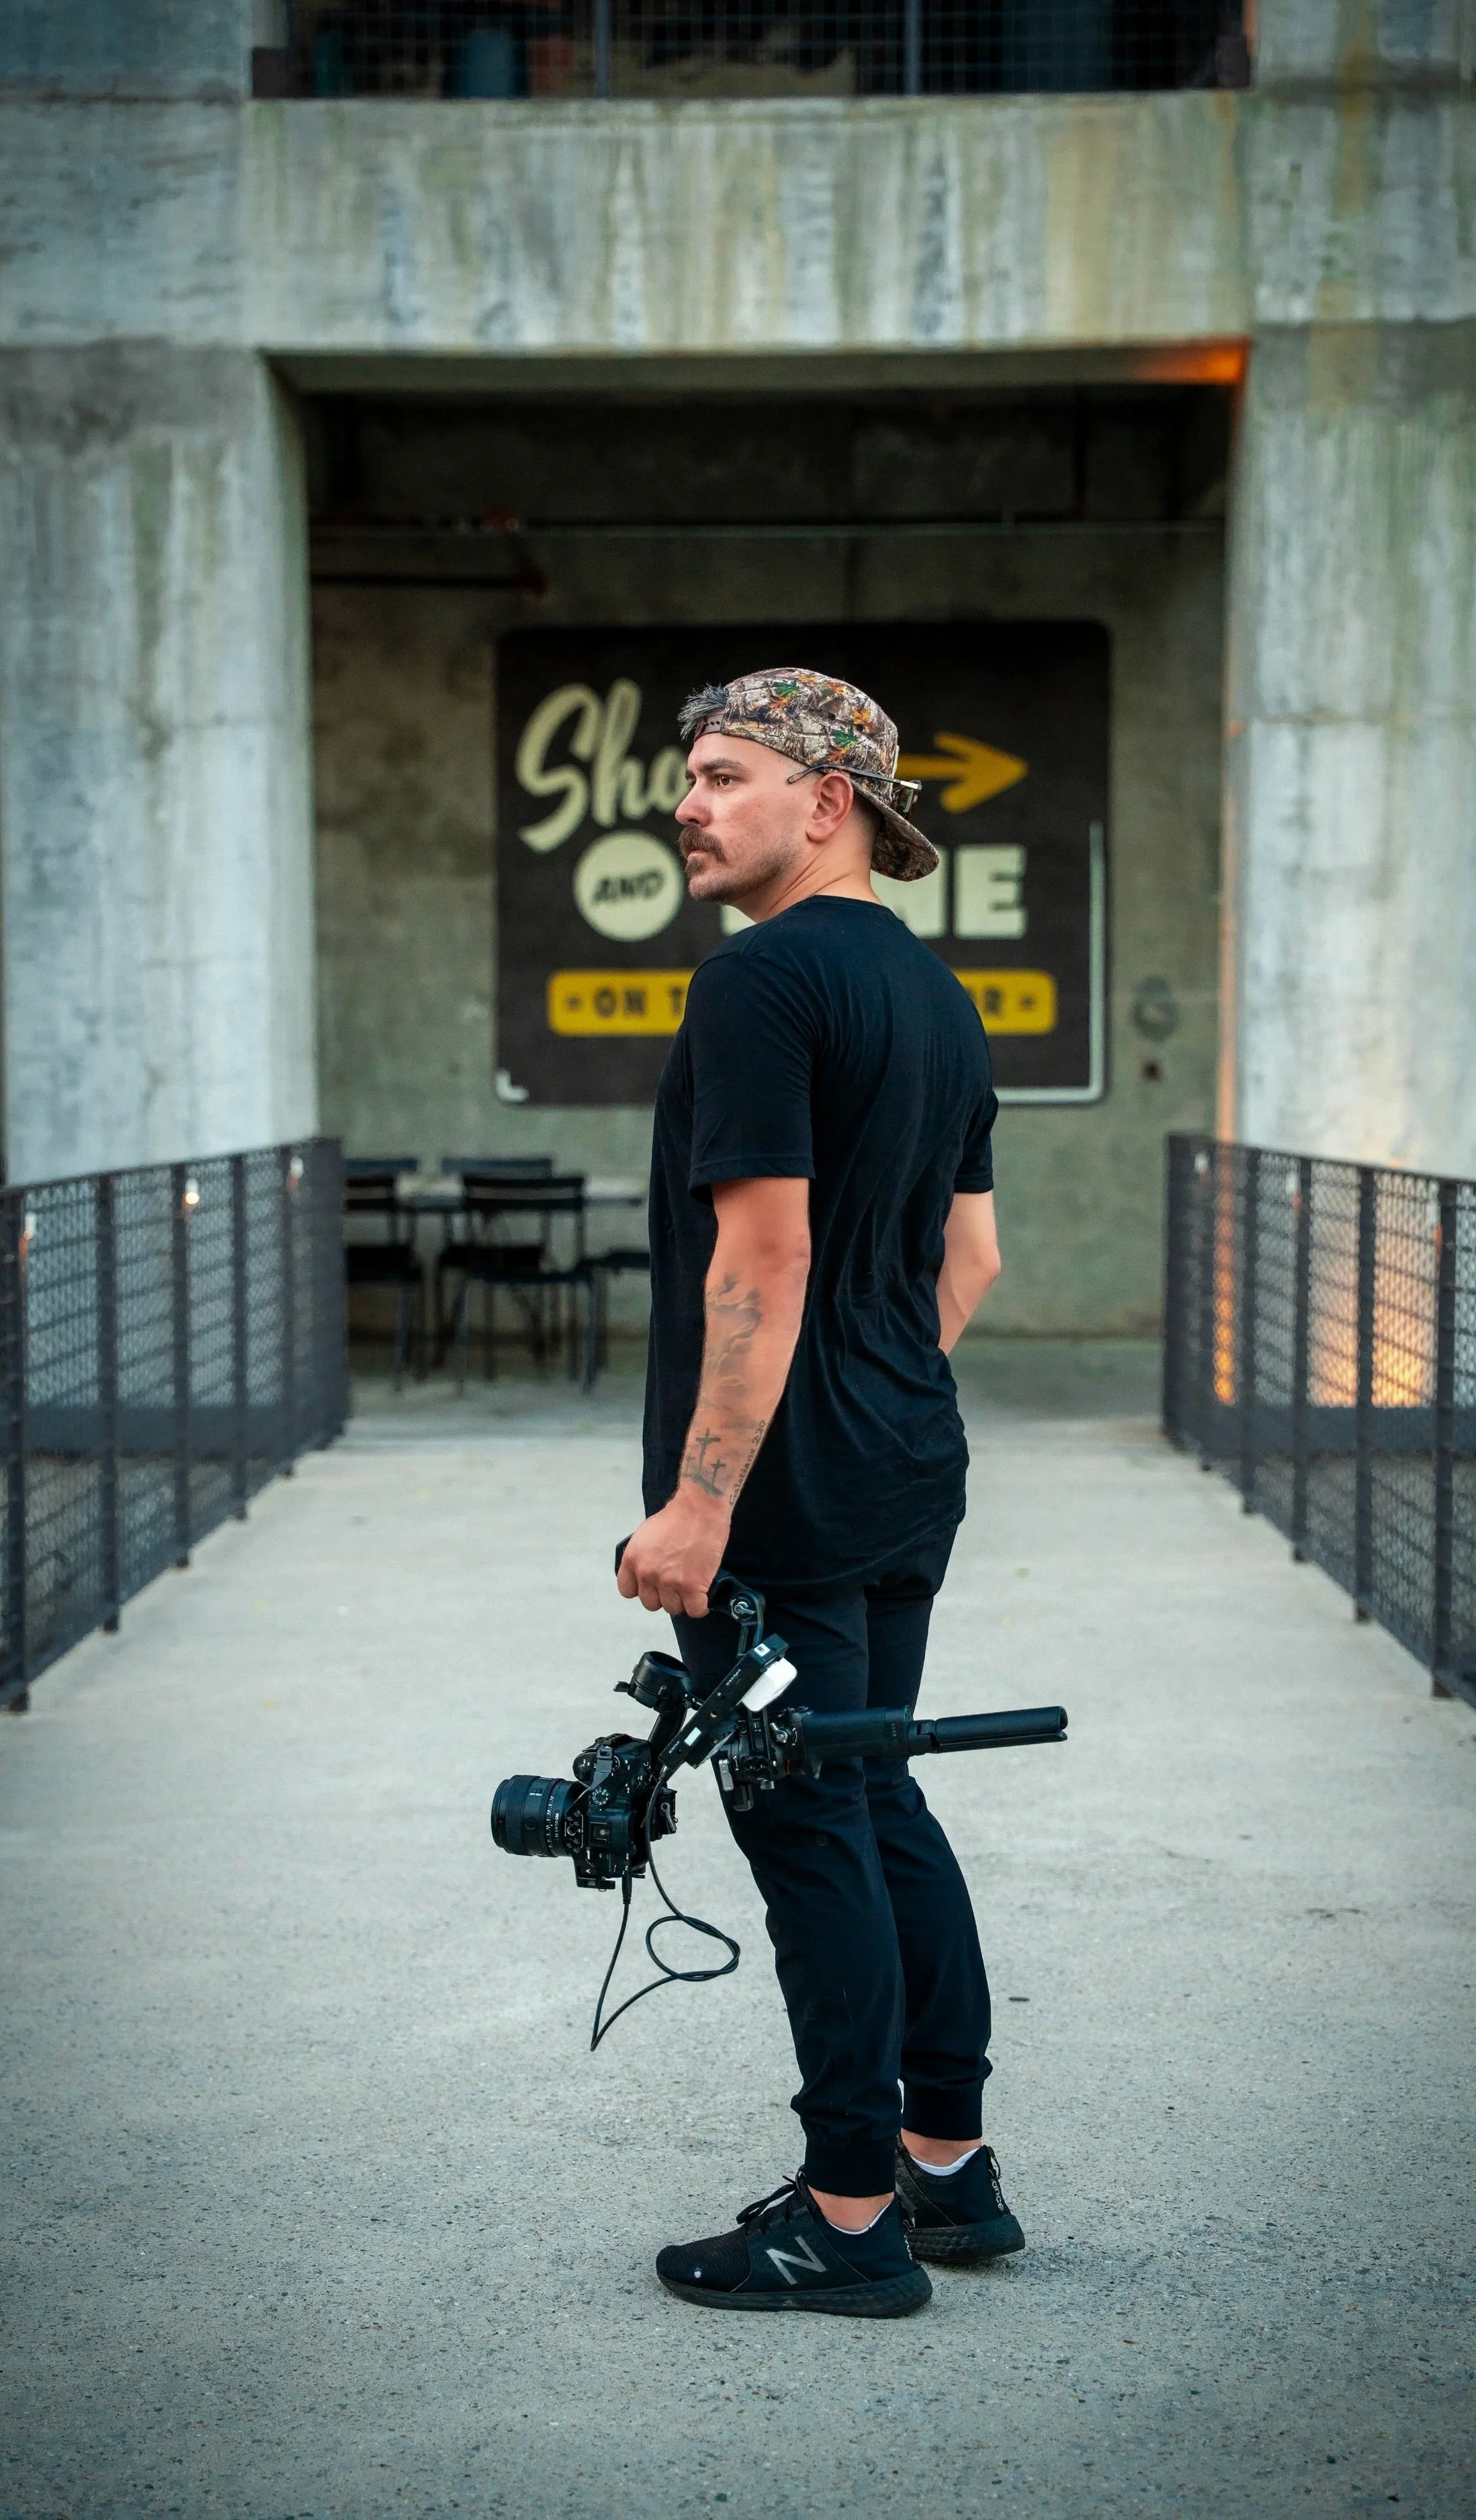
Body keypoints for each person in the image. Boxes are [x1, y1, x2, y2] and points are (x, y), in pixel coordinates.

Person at [617, 667, 1020, 2318]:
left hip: (780, 1503)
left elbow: (761, 1255)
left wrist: (703, 1504)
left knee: (805, 1833)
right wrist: (869, 1393)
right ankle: (946, 2173)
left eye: (720, 775)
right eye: (687, 776)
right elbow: (972, 1258)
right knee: (879, 1800)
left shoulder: (758, 986)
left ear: (827, 798)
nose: (687, 803)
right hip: (904, 1469)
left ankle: (847, 2220)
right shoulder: (933, 995)